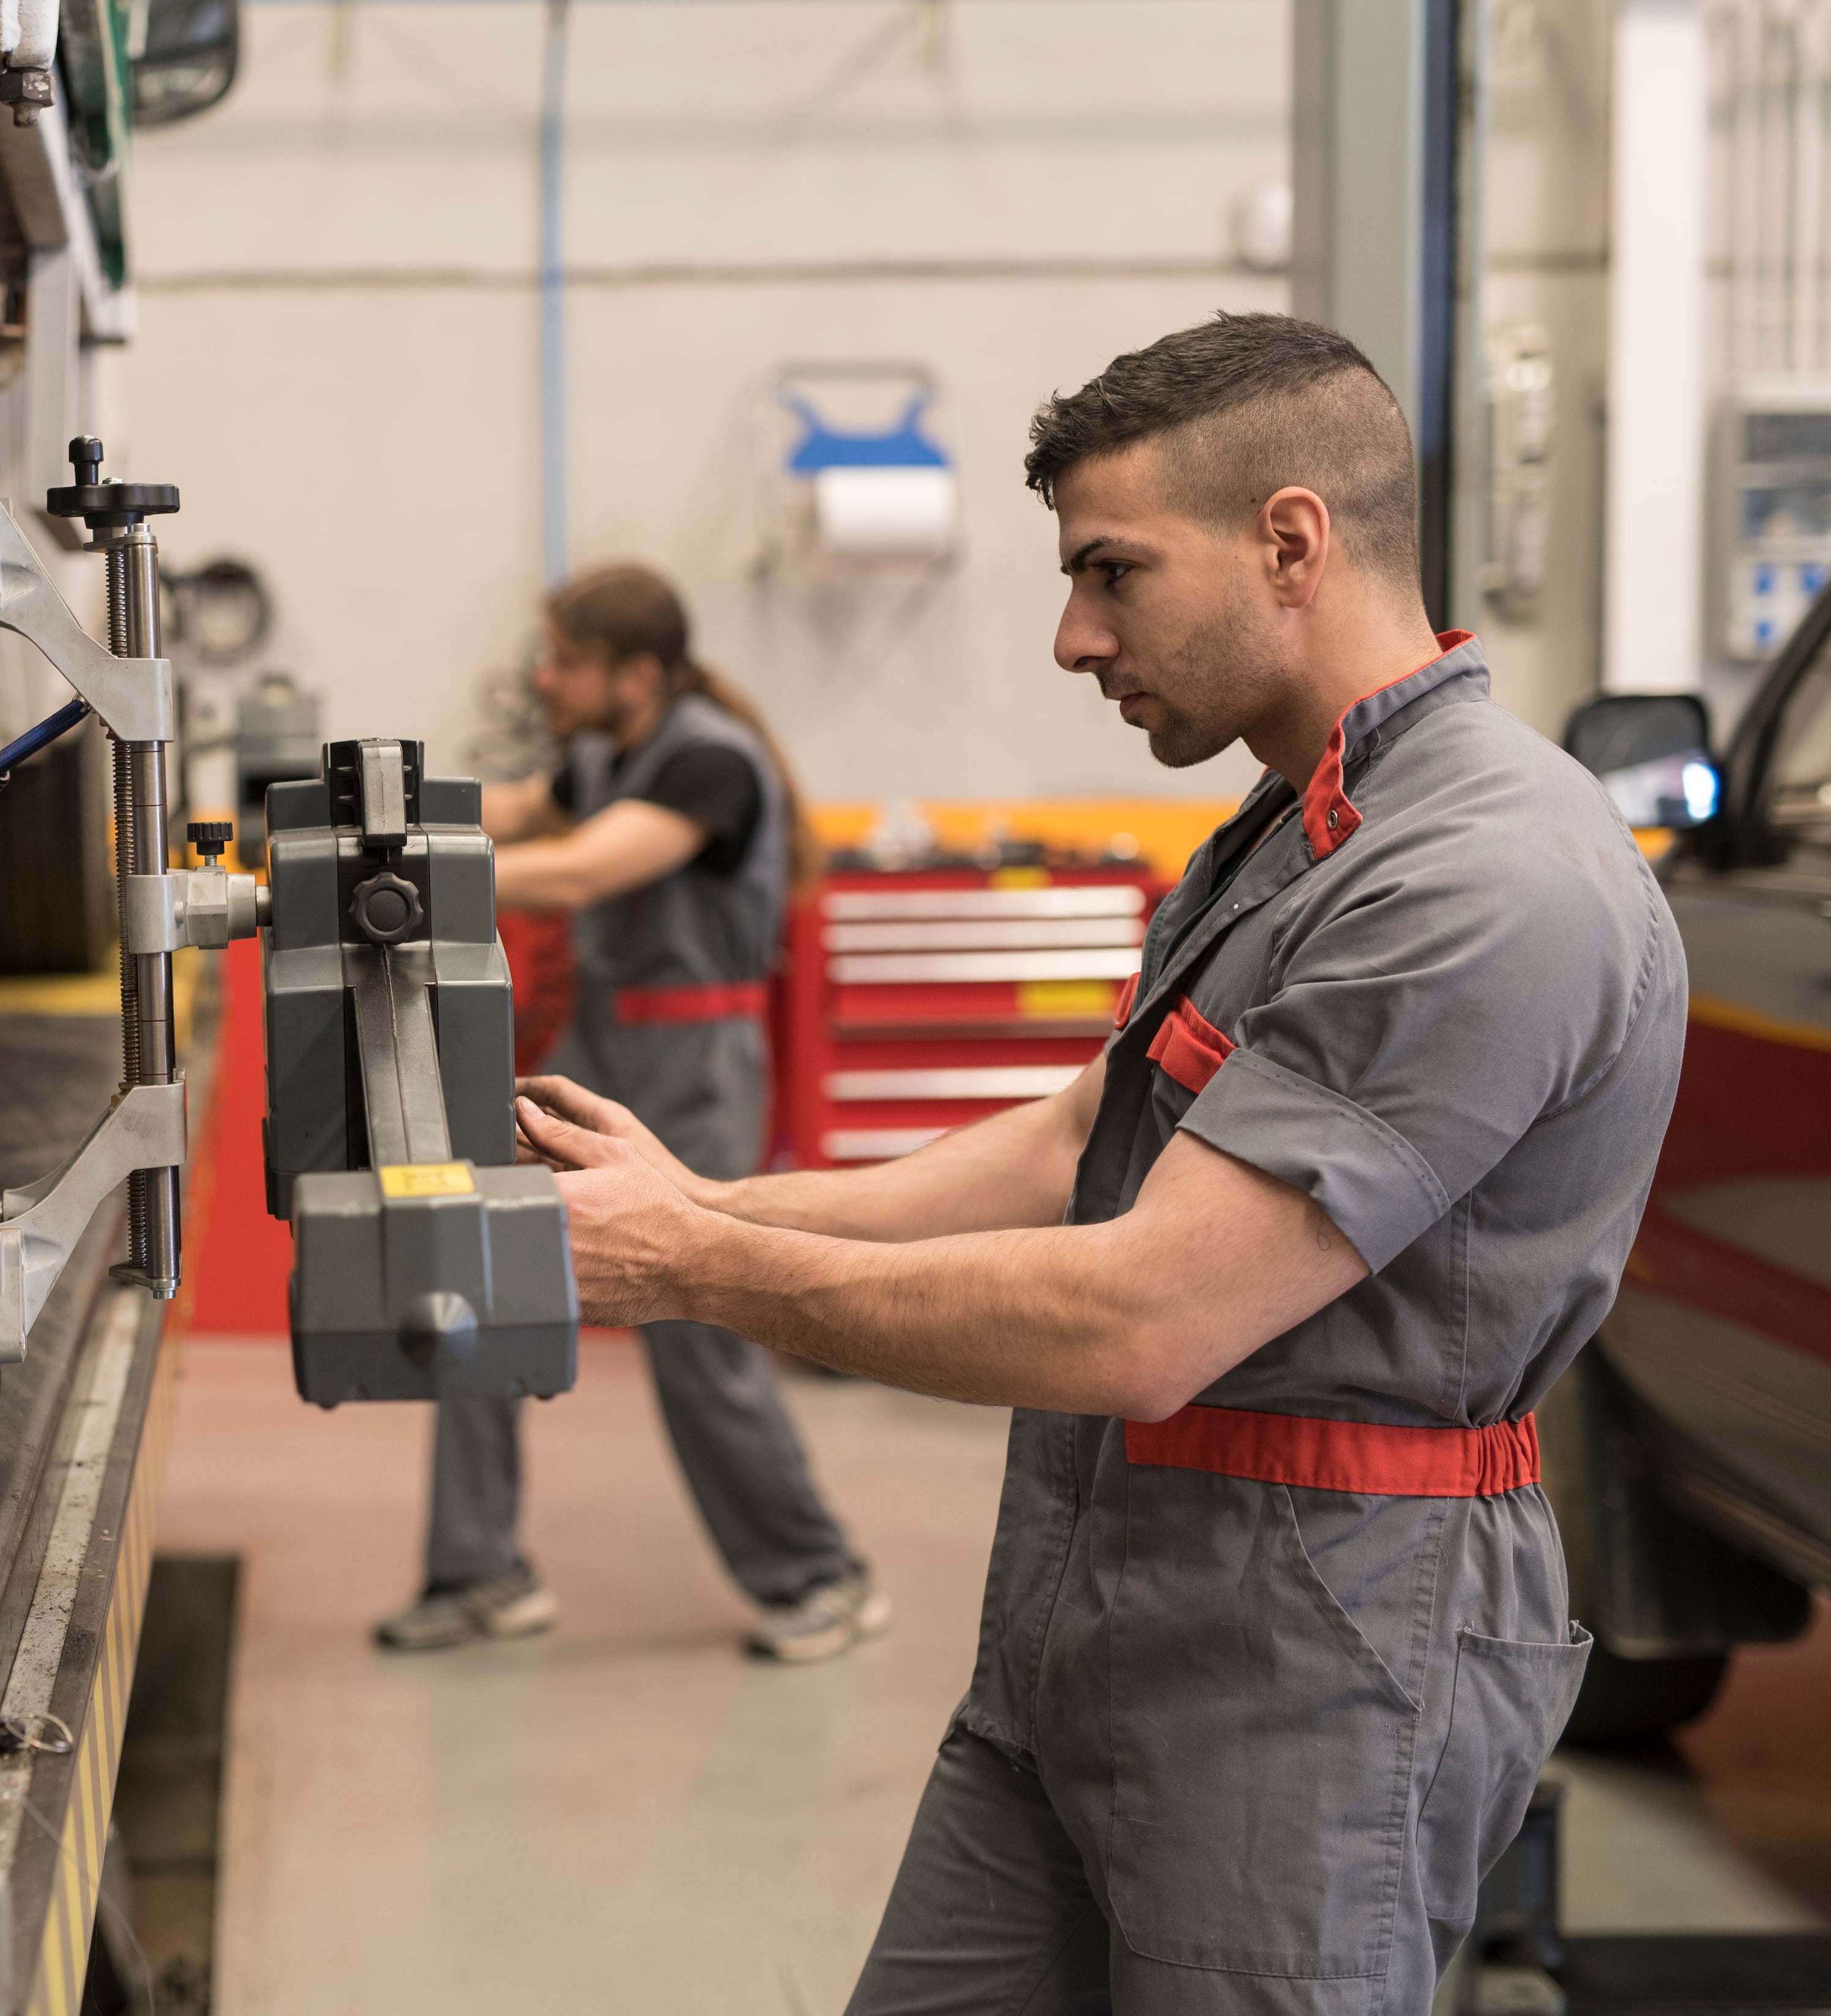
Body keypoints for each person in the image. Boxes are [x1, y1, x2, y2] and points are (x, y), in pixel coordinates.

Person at [512, 313, 1685, 2012]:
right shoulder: (1302, 818)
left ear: (1291, 539)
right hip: (1093, 1612)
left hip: (1314, 1662)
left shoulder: (1486, 874)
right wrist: (709, 1201)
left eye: (1113, 573)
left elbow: (1143, 1320)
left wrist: (693, 1268)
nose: (1075, 636)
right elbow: (1085, 1135)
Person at [372, 564, 890, 1665]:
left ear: (636, 673)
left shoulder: (710, 761)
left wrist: (406, 880)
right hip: (597, 1050)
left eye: (565, 659)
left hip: (693, 1062)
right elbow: (517, 810)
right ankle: (479, 1571)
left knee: (701, 1327)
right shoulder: (605, 751)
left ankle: (819, 1575)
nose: (543, 677)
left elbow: (578, 872)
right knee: (479, 1277)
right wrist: (378, 823)